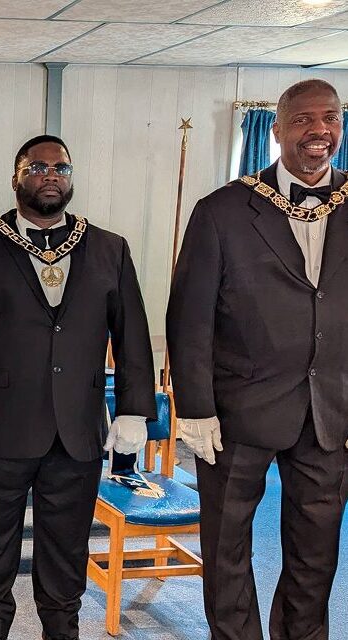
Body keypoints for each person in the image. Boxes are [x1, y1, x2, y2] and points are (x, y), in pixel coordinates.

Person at [0, 135, 156, 640]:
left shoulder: (108, 249)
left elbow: (132, 334)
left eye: (61, 168)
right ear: (16, 178)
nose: (50, 175)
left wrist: (134, 409)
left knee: (67, 550)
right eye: (37, 168)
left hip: (76, 432)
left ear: (71, 178)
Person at [167, 78, 347, 640]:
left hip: (331, 412)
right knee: (226, 548)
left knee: (317, 554)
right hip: (237, 409)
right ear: (276, 129)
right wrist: (194, 407)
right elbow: (189, 317)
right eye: (303, 119)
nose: (319, 130)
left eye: (331, 118)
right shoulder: (222, 209)